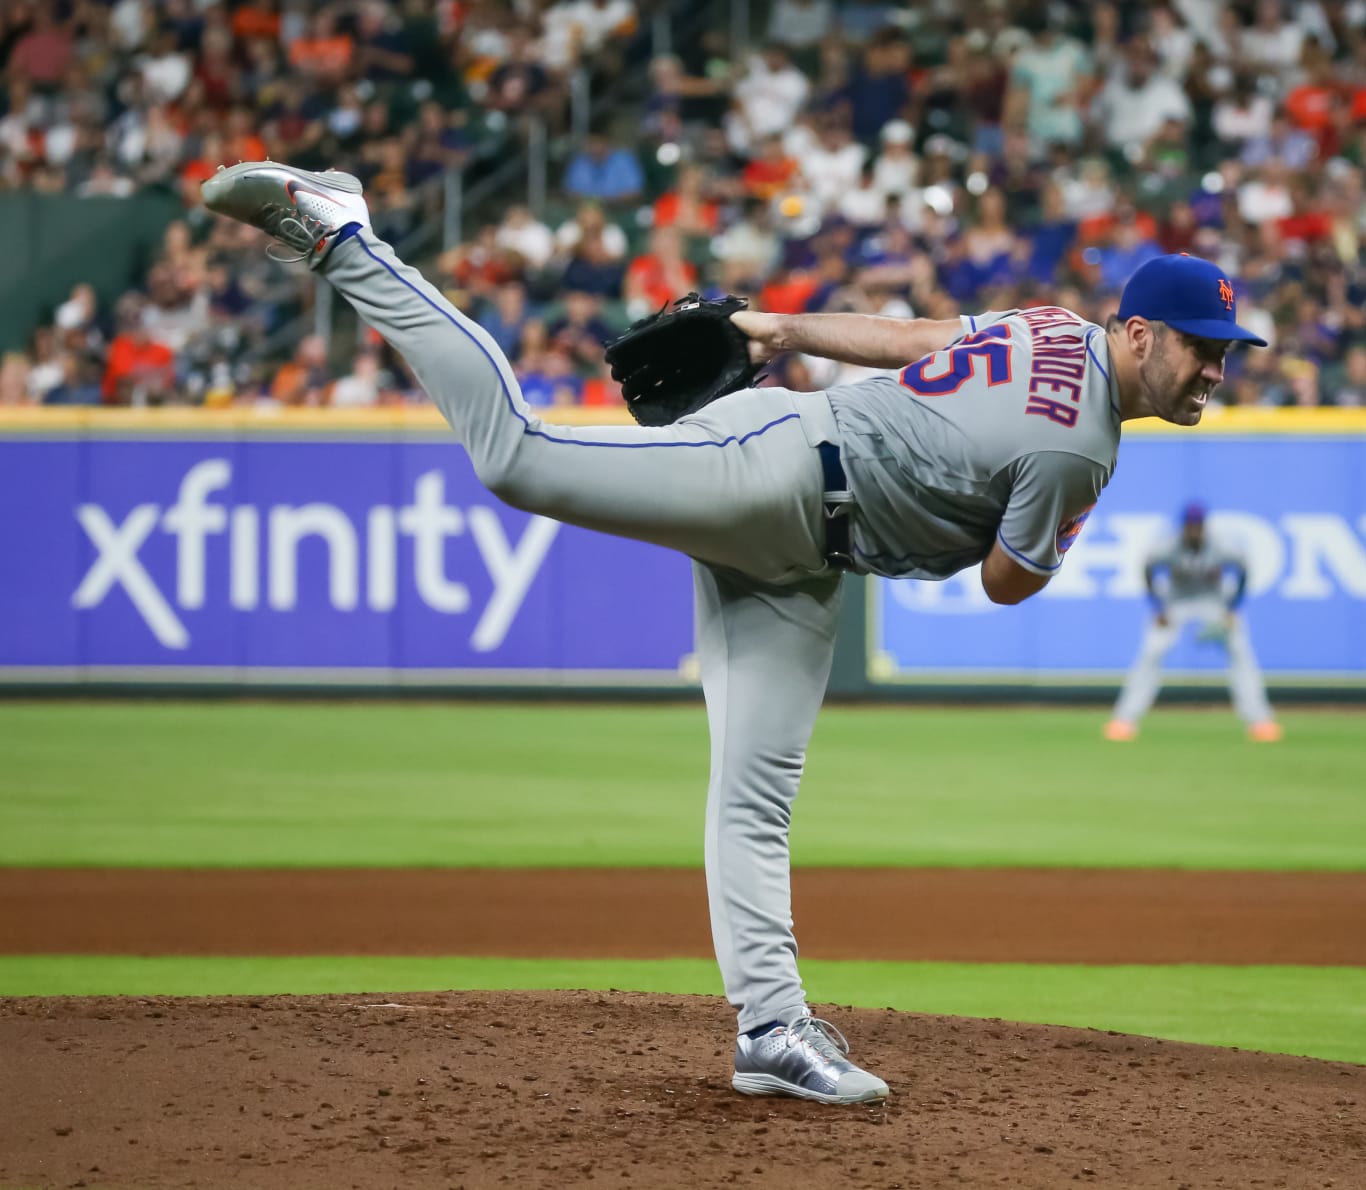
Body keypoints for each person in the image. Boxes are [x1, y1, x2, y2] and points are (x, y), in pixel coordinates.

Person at [200, 159, 1266, 1106]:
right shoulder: (1084, 447)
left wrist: (784, 329)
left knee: (755, 796)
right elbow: (1005, 584)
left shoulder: (1045, 324)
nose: (1217, 368)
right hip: (779, 471)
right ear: (1137, 332)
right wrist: (1049, 518)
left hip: (807, 556)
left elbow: (918, 340)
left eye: (1227, 350)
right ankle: (346, 237)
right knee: (516, 456)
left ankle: (770, 1031)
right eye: (1202, 347)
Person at [1104, 502, 1279, 744]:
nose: (1194, 531)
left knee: (1240, 651)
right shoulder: (1169, 546)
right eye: (1190, 526)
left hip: (1214, 602)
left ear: (1205, 527)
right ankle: (1124, 720)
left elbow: (1243, 568)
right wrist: (1158, 608)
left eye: (1198, 526)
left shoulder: (1221, 546)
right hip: (1176, 602)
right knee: (1151, 651)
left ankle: (1260, 721)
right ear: (1183, 527)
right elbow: (1148, 566)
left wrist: (1232, 608)